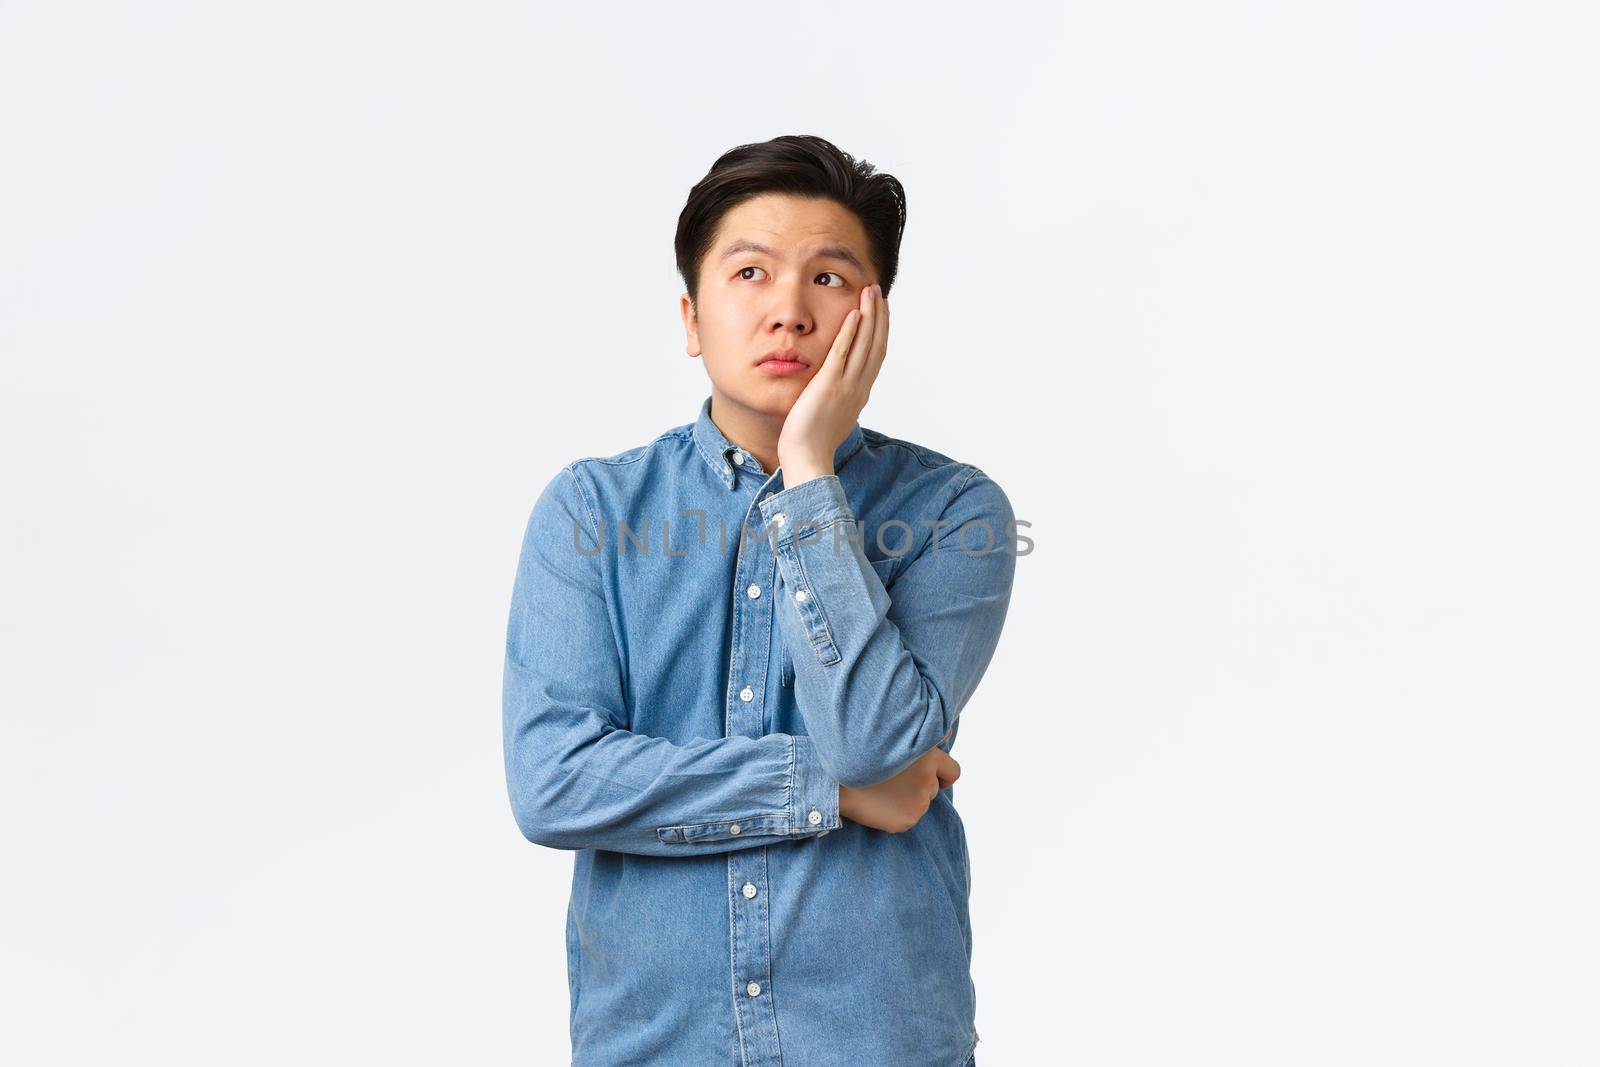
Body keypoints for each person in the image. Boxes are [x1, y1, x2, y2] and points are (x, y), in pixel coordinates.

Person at [502, 134, 1017, 1066]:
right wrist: (827, 789)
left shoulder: (954, 511)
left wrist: (811, 472)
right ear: (692, 317)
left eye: (828, 278)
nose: (788, 310)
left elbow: (873, 740)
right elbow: (554, 783)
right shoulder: (592, 511)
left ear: (875, 315)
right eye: (750, 272)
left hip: (878, 1040)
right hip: (652, 1044)